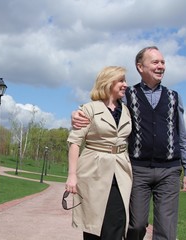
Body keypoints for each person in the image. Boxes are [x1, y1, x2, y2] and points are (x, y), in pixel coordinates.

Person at [71, 46, 186, 240]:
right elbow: (105, 107)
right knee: (135, 225)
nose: (161, 66)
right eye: (155, 62)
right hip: (137, 168)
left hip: (169, 170)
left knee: (167, 229)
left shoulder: (174, 97)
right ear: (140, 67)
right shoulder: (128, 95)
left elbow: (182, 135)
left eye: (163, 62)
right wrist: (77, 113)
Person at [65, 66, 133, 240]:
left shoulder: (126, 110)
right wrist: (72, 175)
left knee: (117, 221)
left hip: (120, 170)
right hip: (93, 170)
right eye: (121, 80)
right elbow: (74, 142)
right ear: (108, 82)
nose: (125, 84)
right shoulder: (89, 109)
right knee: (94, 224)